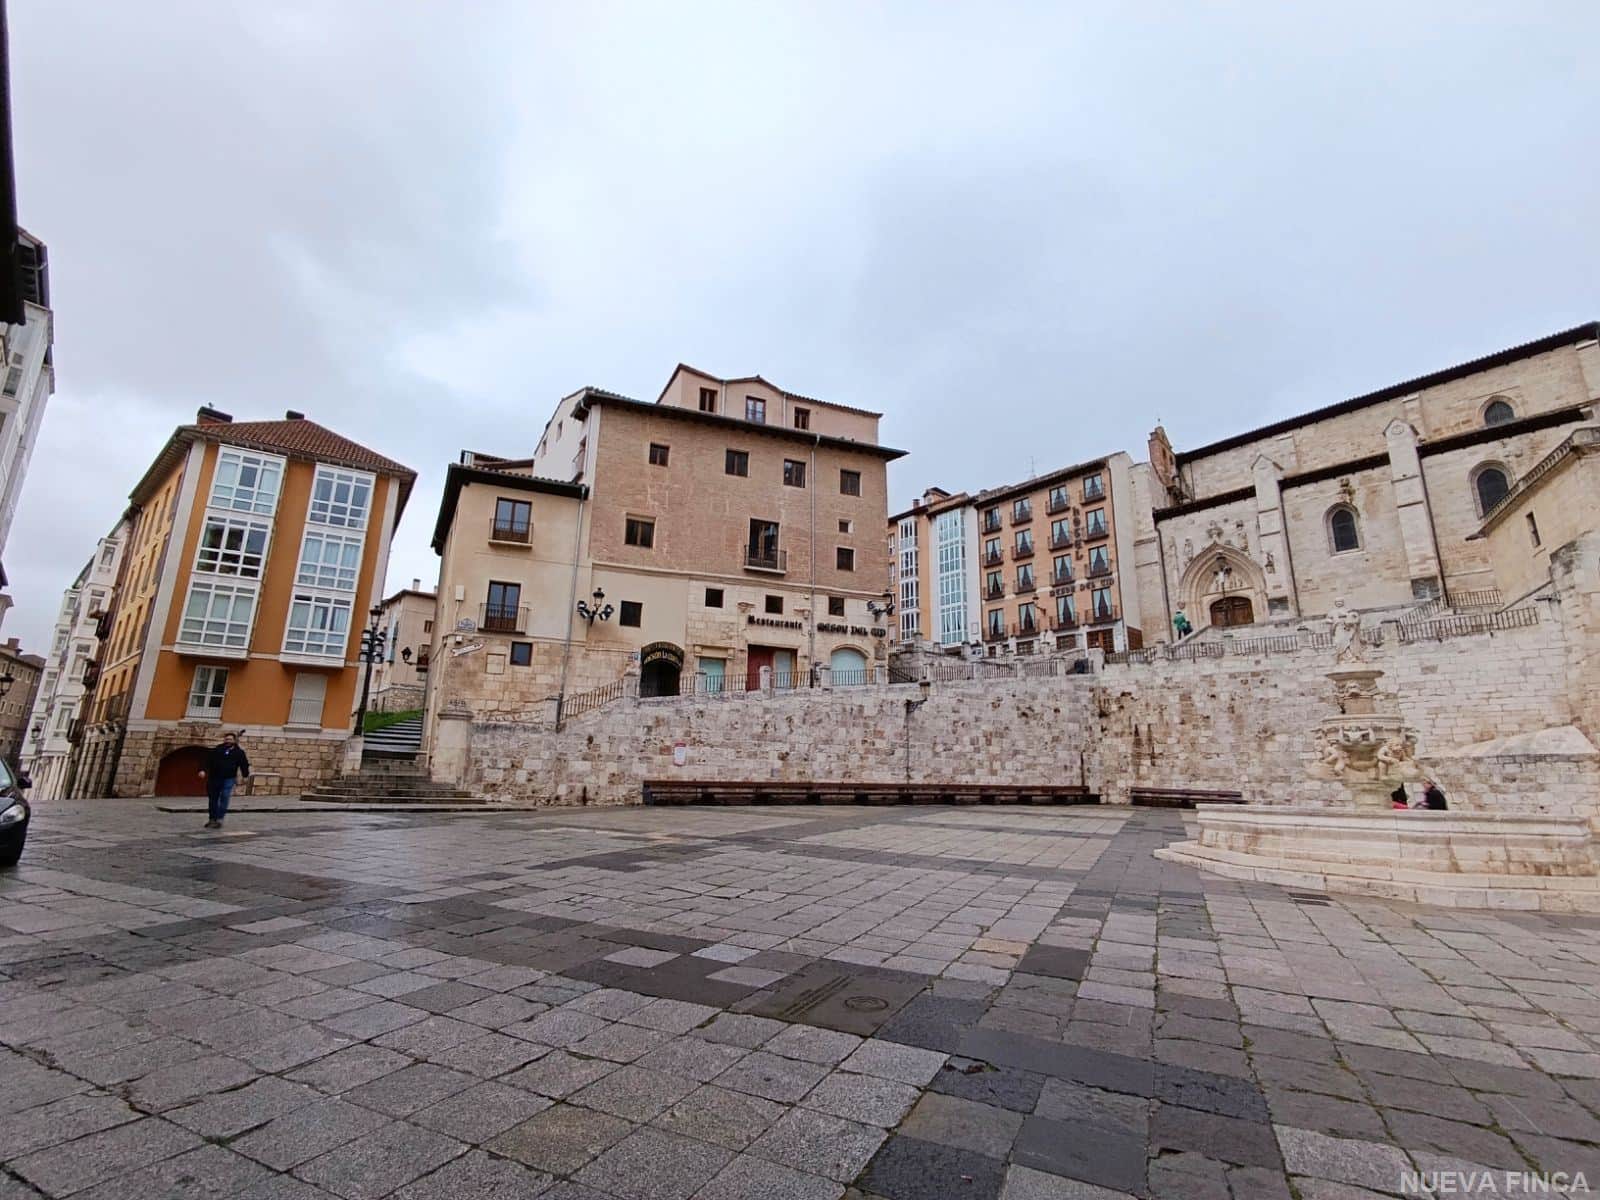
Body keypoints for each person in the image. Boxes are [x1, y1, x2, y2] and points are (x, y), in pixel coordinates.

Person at [199, 732, 251, 829]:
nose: (228, 741)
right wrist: (203, 770)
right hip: (214, 778)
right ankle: (212, 819)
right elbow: (207, 760)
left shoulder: (239, 753)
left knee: (225, 796)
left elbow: (244, 764)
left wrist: (245, 775)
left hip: (229, 778)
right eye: (226, 739)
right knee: (213, 799)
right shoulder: (217, 750)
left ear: (234, 741)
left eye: (230, 739)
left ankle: (219, 818)